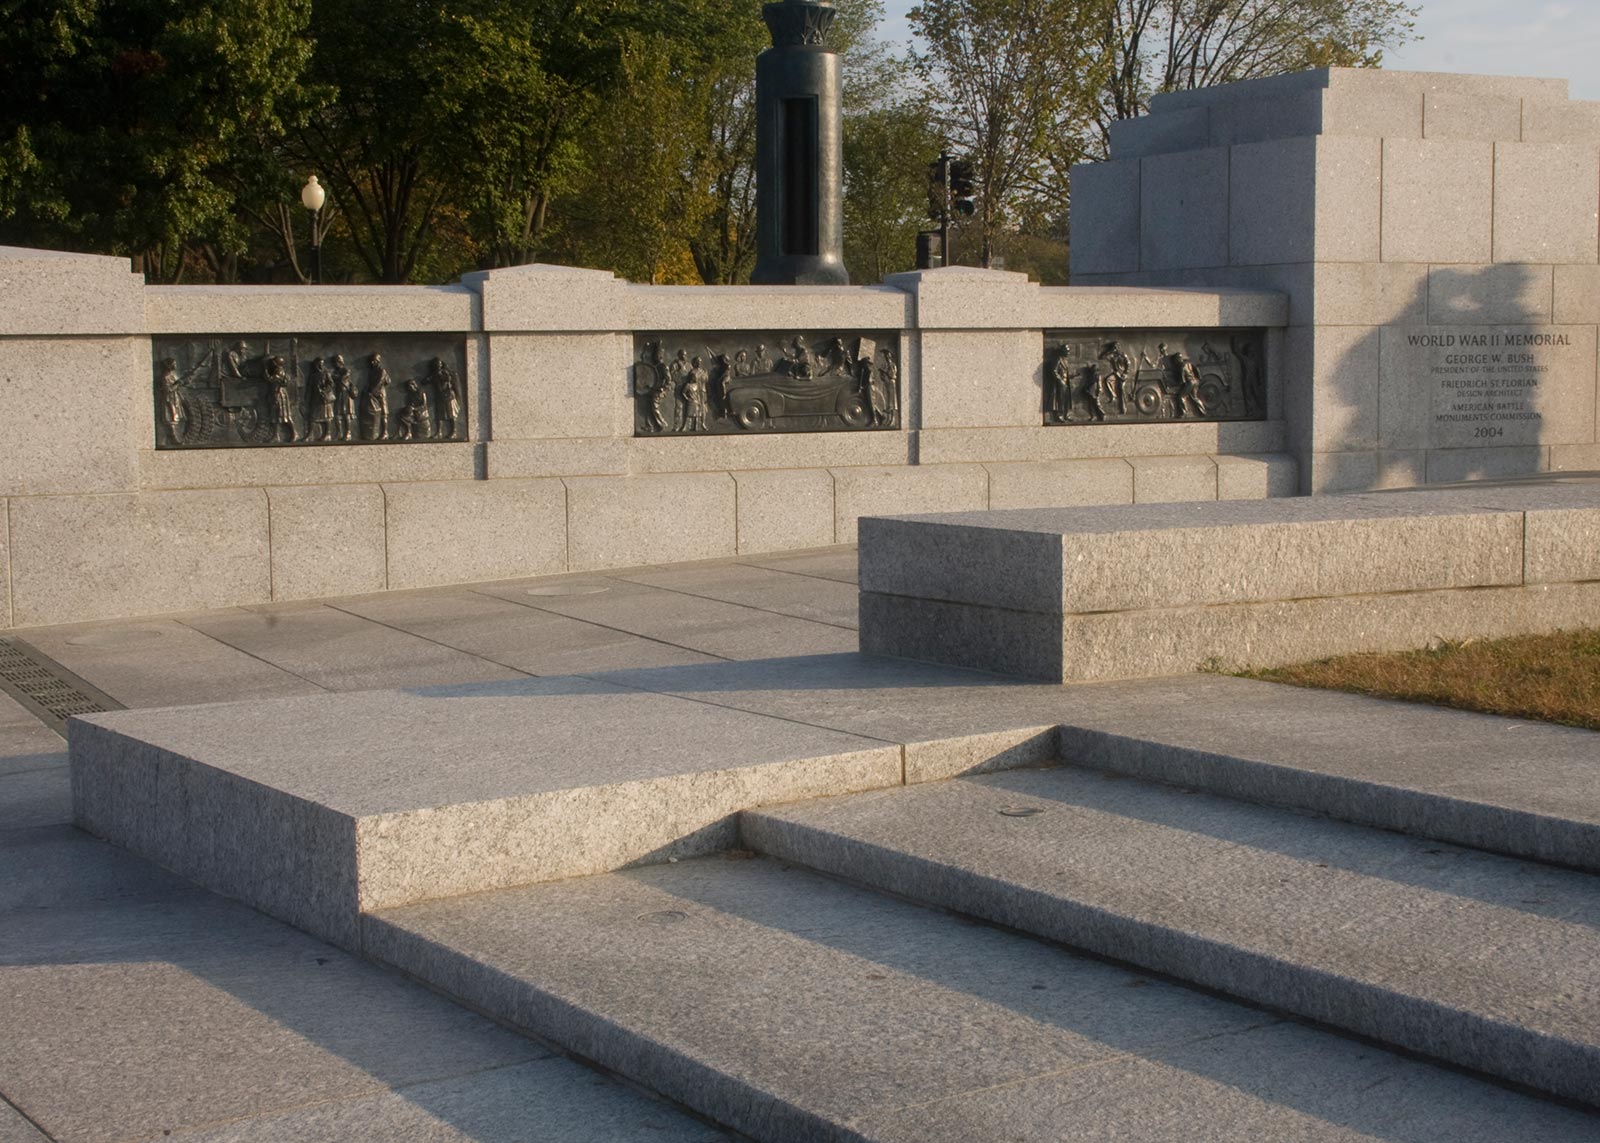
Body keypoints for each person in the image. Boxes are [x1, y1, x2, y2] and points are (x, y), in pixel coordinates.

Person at [264, 355, 298, 442]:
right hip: (277, 393)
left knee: (284, 415)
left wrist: (265, 373)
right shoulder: (278, 371)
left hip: (279, 394)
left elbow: (273, 380)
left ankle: (294, 433)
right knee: (275, 416)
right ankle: (276, 435)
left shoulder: (279, 371)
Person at [428, 356, 462, 439]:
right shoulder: (434, 374)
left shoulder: (446, 372)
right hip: (440, 397)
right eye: (435, 365)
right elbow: (425, 381)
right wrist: (431, 377)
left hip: (449, 396)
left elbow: (447, 379)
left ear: (441, 364)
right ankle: (439, 432)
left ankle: (454, 431)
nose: (437, 366)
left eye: (438, 364)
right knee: (439, 415)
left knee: (451, 414)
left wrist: (439, 375)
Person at [307, 357, 336, 441]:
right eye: (318, 364)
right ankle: (310, 434)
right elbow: (309, 387)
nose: (320, 366)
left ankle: (328, 434)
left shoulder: (326, 373)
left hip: (324, 398)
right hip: (315, 398)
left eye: (321, 364)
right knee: (312, 417)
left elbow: (331, 384)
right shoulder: (313, 375)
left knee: (327, 416)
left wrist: (324, 390)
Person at [363, 353, 391, 440]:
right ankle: (376, 432)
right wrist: (367, 391)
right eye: (371, 361)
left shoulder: (382, 371)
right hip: (372, 395)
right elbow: (370, 383)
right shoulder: (372, 371)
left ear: (378, 361)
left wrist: (372, 391)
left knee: (383, 413)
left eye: (374, 361)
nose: (372, 362)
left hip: (380, 394)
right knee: (375, 414)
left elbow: (380, 382)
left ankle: (385, 432)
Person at [158, 358, 185, 446]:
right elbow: (168, 389)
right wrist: (178, 384)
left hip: (175, 398)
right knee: (171, 417)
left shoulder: (173, 375)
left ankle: (173, 437)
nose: (176, 365)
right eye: (174, 364)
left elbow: (178, 384)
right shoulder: (165, 377)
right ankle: (172, 438)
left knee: (175, 417)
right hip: (169, 399)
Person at [331, 354, 357, 441]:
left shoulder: (346, 370)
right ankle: (339, 433)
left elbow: (342, 379)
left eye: (336, 362)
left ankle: (348, 433)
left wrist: (334, 377)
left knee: (346, 414)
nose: (334, 364)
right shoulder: (335, 371)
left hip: (346, 395)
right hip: (339, 395)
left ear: (340, 362)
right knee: (337, 414)